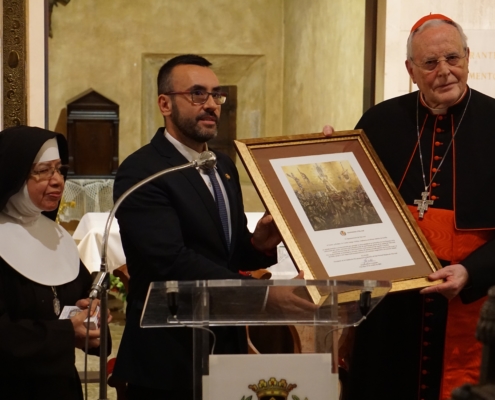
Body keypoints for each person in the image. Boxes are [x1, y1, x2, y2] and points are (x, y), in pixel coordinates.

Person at [112, 54, 307, 399]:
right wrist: (262, 293)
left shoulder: (223, 165)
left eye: (216, 95)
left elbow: (223, 254)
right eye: (198, 94)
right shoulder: (144, 170)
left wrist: (258, 244)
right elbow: (170, 261)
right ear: (165, 103)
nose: (212, 105)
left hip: (223, 346)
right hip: (169, 356)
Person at [324, 13, 495, 400]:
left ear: (468, 57)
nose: (445, 72)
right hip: (390, 314)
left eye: (453, 58)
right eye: (430, 63)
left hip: (471, 305)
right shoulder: (378, 123)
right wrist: (325, 164)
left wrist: (472, 271)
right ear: (411, 70)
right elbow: (349, 214)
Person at [0, 126, 109, 399]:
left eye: (59, 169)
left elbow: (82, 300)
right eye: (43, 171)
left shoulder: (58, 236)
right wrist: (65, 334)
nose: (58, 180)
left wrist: (93, 314)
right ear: (12, 174)